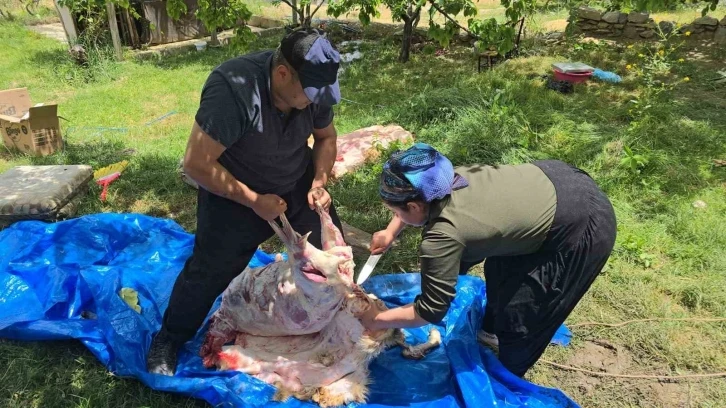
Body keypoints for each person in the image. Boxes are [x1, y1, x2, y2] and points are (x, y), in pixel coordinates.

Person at [146, 28, 345, 376]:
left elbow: (326, 138)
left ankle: (333, 321)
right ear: (282, 73)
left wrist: (318, 179)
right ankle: (170, 337)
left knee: (332, 259)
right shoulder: (233, 89)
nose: (316, 101)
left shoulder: (316, 87)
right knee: (210, 269)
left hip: (296, 181)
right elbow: (196, 163)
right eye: (309, 93)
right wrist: (253, 200)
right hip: (234, 192)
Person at [360, 143, 617, 377]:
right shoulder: (441, 178)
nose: (394, 215)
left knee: (525, 312)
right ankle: (491, 332)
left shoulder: (443, 236)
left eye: (394, 212)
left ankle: (505, 378)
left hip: (580, 221)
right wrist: (390, 232)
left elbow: (430, 310)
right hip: (552, 180)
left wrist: (376, 320)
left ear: (415, 206)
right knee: (500, 270)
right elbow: (410, 203)